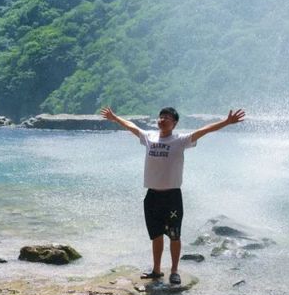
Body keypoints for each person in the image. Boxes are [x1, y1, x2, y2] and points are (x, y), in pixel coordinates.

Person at [101, 106, 246, 285]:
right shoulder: (149, 137)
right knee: (156, 235)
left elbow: (204, 131)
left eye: (167, 118)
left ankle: (175, 271)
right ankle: (156, 270)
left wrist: (226, 122)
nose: (162, 120)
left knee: (174, 235)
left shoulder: (180, 140)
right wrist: (115, 117)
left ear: (174, 123)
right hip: (152, 196)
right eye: (160, 117)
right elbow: (132, 127)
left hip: (172, 197)